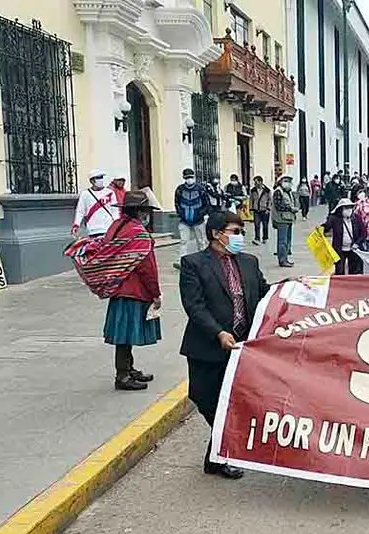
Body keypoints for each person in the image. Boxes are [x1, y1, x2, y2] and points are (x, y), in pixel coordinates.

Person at [180, 211, 269, 480]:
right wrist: (218, 332)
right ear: (217, 234)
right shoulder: (194, 264)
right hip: (207, 347)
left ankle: (220, 454)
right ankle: (219, 449)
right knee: (205, 398)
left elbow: (265, 293)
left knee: (232, 404)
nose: (239, 236)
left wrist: (293, 289)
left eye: (241, 231)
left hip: (242, 347)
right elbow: (194, 306)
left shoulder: (249, 262)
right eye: (235, 231)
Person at [102, 191, 162, 391]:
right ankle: (123, 375)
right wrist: (155, 292)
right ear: (138, 211)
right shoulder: (138, 234)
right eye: (145, 211)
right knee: (126, 334)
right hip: (133, 290)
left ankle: (129, 368)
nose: (147, 215)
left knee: (124, 333)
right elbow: (147, 268)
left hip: (118, 287)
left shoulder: (115, 227)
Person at [173, 168, 211, 270]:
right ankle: (181, 261)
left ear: (194, 177)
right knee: (183, 241)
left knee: (201, 241)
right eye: (187, 177)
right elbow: (177, 203)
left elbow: (207, 204)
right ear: (183, 178)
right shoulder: (180, 189)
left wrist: (201, 214)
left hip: (198, 221)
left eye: (190, 177)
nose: (189, 179)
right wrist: (181, 214)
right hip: (184, 221)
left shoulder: (201, 189)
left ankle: (204, 261)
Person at [322, 197, 365, 275]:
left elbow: (363, 233)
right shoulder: (334, 219)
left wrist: (357, 243)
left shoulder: (357, 218)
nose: (349, 210)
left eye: (350, 207)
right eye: (346, 207)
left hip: (353, 249)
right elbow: (325, 228)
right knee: (339, 270)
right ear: (341, 209)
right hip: (339, 249)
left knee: (354, 270)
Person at [72, 169, 119, 238]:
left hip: (108, 228)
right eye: (98, 178)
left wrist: (116, 224)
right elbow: (80, 211)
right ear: (92, 181)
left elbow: (115, 210)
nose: (100, 180)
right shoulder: (85, 194)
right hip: (93, 229)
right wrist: (76, 225)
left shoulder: (110, 192)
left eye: (101, 177)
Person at [271, 174, 297, 267]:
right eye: (286, 181)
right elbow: (278, 206)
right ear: (281, 182)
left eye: (289, 181)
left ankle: (286, 258)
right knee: (282, 241)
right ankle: (282, 260)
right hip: (281, 219)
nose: (288, 183)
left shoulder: (288, 192)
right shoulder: (278, 192)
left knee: (287, 240)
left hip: (288, 219)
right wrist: (291, 209)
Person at [249, 175, 271, 246]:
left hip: (265, 210)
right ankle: (257, 238)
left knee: (265, 225)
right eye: (254, 182)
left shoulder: (267, 190)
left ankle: (265, 238)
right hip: (256, 210)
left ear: (260, 182)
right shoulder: (253, 190)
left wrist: (268, 208)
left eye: (256, 182)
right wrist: (251, 208)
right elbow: (251, 199)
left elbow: (270, 200)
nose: (255, 184)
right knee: (256, 225)